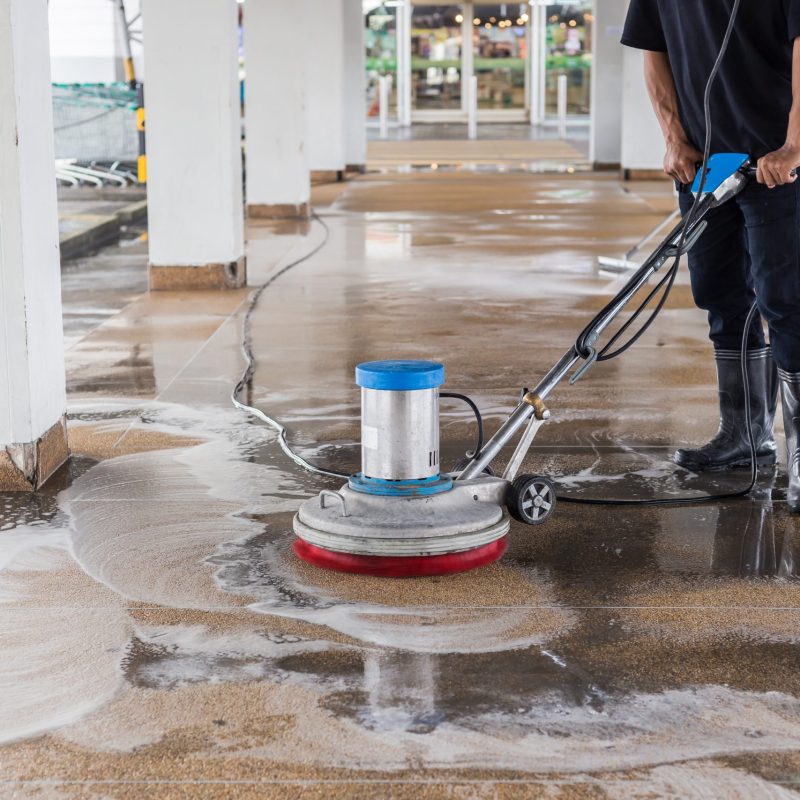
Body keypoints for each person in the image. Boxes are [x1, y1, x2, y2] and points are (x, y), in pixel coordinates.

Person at [622, 0, 800, 511]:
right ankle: (745, 433)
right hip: (705, 163)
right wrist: (673, 138)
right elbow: (652, 48)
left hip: (776, 164)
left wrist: (793, 145)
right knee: (721, 296)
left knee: (786, 303)